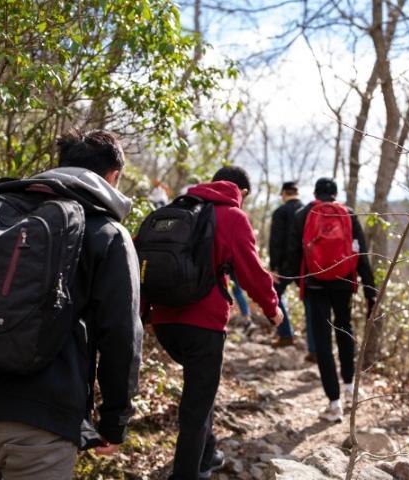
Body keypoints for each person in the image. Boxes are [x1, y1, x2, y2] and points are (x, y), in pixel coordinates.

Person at [0, 129, 143, 479]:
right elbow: (121, 335)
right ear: (113, 176)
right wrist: (114, 421)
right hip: (41, 424)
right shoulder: (107, 233)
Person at [148, 166, 283, 480]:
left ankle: (207, 453)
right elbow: (251, 271)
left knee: (202, 389)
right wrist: (272, 308)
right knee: (196, 405)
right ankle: (186, 474)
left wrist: (144, 313)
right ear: (242, 192)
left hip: (164, 321)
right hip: (203, 325)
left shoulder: (176, 209)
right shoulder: (233, 217)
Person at [285, 177, 376, 423]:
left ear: (315, 193)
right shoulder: (348, 214)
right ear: (335, 194)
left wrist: (295, 282)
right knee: (344, 330)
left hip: (315, 285)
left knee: (322, 341)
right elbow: (361, 253)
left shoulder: (303, 214)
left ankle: (334, 404)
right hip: (343, 283)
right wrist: (370, 289)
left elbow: (293, 253)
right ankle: (349, 388)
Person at [269, 182, 316, 359]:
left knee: (273, 296)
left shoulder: (280, 212)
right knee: (310, 304)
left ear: (284, 194)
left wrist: (274, 266)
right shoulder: (308, 210)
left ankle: (286, 335)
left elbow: (276, 241)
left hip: (285, 265)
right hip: (306, 265)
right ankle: (314, 350)